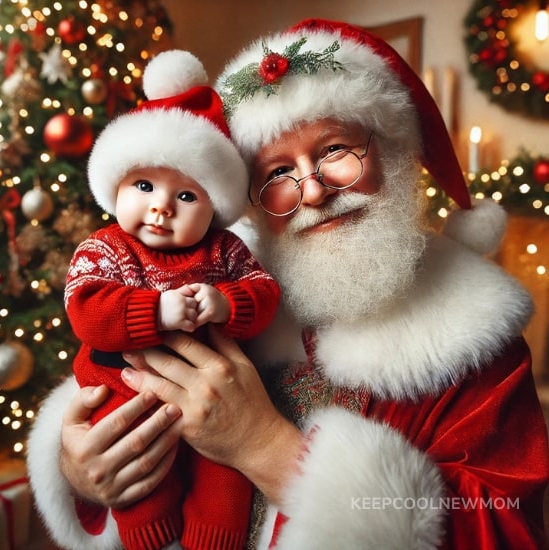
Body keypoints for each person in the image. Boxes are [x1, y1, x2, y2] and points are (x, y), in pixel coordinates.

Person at [27, 18, 549, 550]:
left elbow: (508, 532)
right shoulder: (224, 285)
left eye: (334, 150)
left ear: (391, 153)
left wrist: (265, 447)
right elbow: (115, 398)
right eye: (277, 174)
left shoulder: (472, 334)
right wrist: (81, 467)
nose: (314, 191)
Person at [56, 49, 280, 550]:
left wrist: (225, 304)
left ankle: (214, 538)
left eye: (186, 196)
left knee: (225, 479)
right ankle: (145, 536)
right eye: (143, 184)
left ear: (215, 207)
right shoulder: (104, 247)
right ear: (115, 188)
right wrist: (155, 312)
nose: (160, 205)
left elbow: (264, 293)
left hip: (215, 396)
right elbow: (87, 308)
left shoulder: (225, 250)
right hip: (124, 391)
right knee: (135, 464)